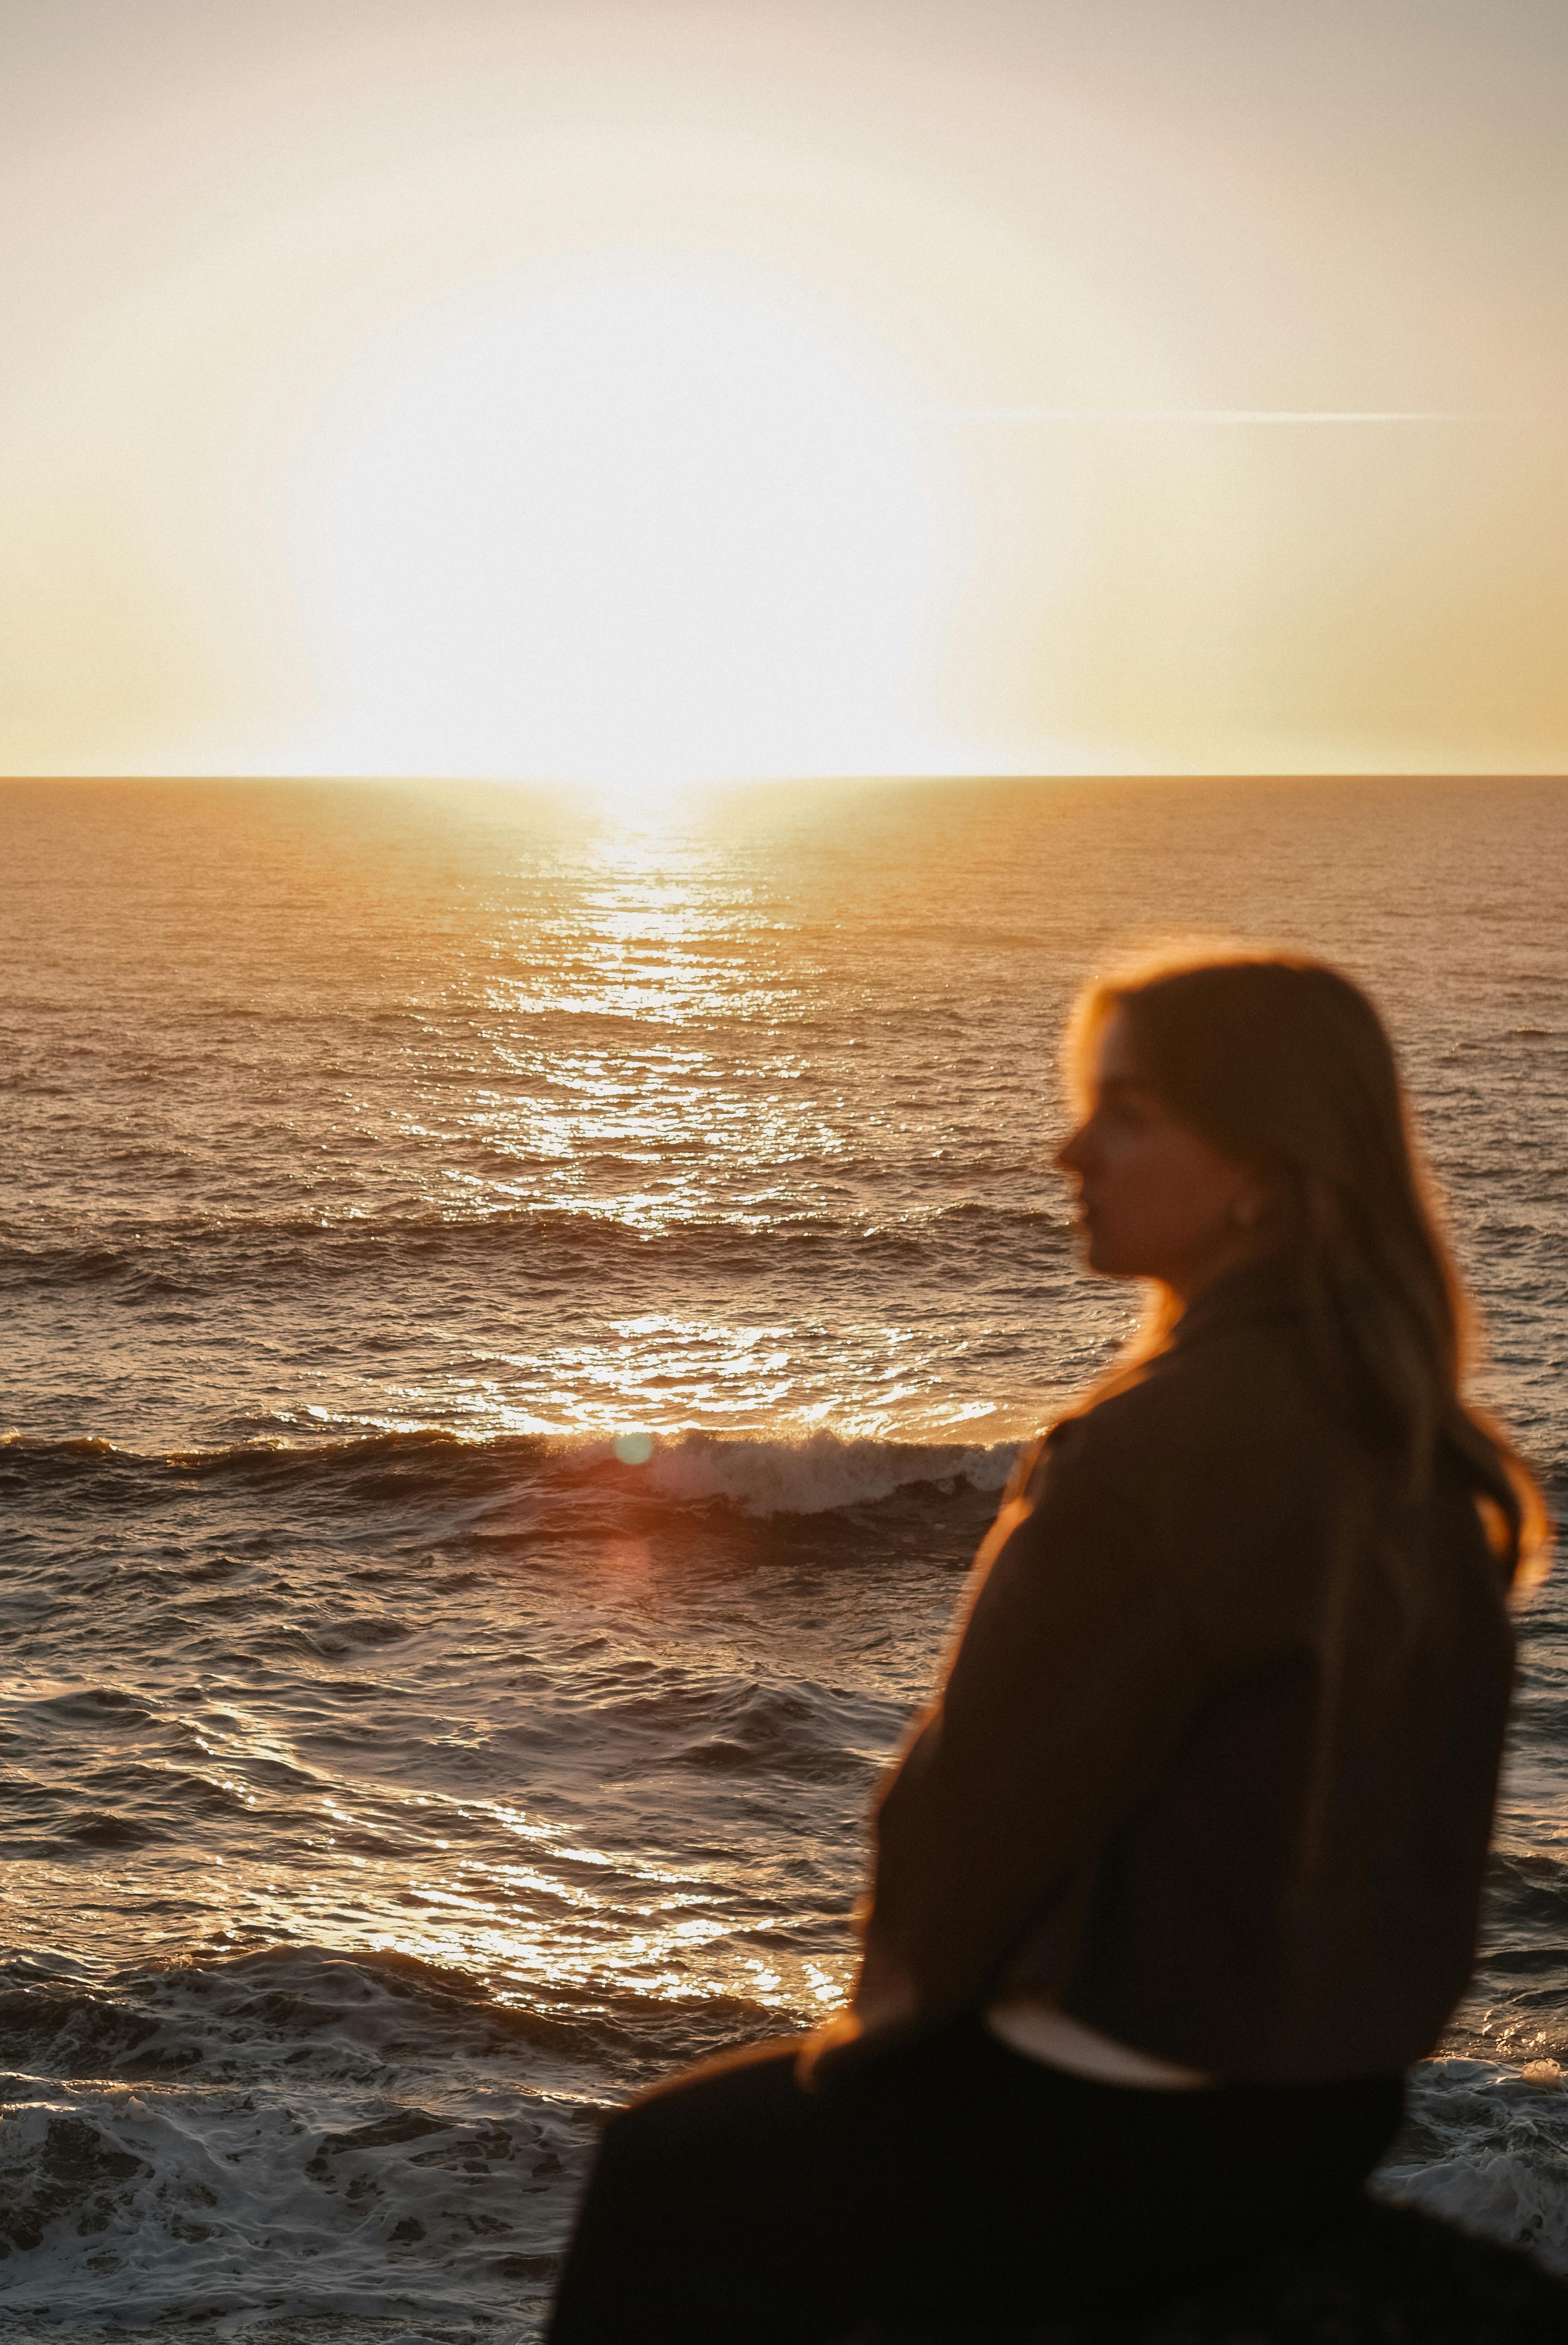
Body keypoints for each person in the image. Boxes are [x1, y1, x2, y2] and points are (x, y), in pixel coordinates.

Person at [544, 949, 1549, 2345]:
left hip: (1119, 2122)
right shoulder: (1427, 1453)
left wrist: (881, 2043)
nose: (1069, 1147)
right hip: (1323, 2113)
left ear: (1259, 1164)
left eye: (1125, 1111)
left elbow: (973, 1819)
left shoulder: (1144, 1453)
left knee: (664, 2170)